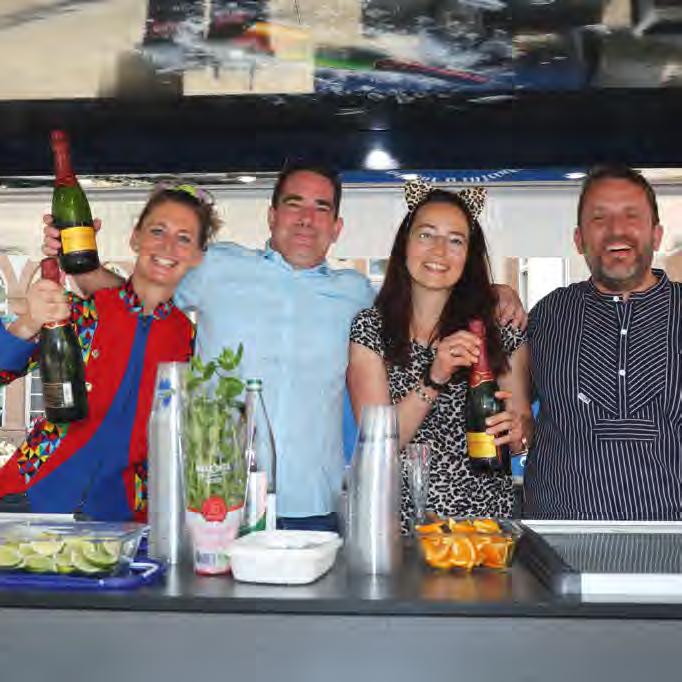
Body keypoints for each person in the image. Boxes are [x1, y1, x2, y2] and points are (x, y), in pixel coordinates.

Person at [44, 163, 527, 532]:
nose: (306, 219)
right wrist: (77, 262)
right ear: (272, 216)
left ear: (337, 228)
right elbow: (136, 300)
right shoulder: (217, 267)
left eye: (321, 208)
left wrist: (494, 293)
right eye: (294, 205)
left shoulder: (358, 297)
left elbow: (427, 291)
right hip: (216, 497)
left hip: (315, 507)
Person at [0, 184, 218, 520]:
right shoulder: (80, 312)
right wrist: (28, 322)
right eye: (157, 231)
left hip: (117, 520)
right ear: (135, 238)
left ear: (198, 256)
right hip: (29, 496)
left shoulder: (191, 344)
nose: (167, 246)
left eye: (184, 238)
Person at [347, 181, 527, 532]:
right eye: (426, 235)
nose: (440, 250)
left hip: (485, 529)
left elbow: (522, 432)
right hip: (400, 530)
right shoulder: (371, 329)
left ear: (469, 255)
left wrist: (519, 432)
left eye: (456, 240)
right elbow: (379, 445)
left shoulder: (498, 329)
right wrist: (434, 377)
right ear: (405, 244)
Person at [520, 164, 682, 520]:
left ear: (656, 235)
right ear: (579, 240)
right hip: (559, 542)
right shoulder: (549, 314)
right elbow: (513, 412)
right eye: (599, 218)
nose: (616, 230)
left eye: (631, 215)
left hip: (674, 541)